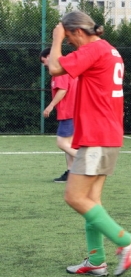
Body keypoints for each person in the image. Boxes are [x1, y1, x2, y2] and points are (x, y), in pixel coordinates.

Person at [47, 11, 131, 277]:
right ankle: (97, 260)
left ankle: (127, 241)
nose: (69, 45)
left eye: (69, 39)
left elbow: (55, 68)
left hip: (97, 137)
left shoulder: (94, 49)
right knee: (91, 201)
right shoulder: (109, 50)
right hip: (106, 135)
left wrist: (55, 40)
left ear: (78, 32)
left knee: (74, 196)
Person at [40, 47, 79, 183]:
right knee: (70, 145)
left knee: (61, 143)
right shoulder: (65, 67)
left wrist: (50, 107)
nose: (47, 67)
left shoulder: (59, 70)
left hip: (69, 111)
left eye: (46, 63)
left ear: (50, 56)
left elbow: (62, 90)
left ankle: (87, 161)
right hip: (74, 111)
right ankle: (71, 173)